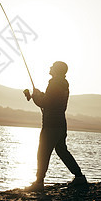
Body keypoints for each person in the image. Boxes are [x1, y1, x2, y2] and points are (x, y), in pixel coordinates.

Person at [24, 61, 86, 192]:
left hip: (51, 124)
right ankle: (79, 177)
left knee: (43, 152)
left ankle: (39, 182)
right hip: (60, 124)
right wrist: (36, 94)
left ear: (57, 70)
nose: (50, 67)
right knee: (62, 151)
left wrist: (35, 96)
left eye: (53, 66)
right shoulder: (62, 84)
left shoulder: (54, 83)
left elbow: (46, 102)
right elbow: (51, 100)